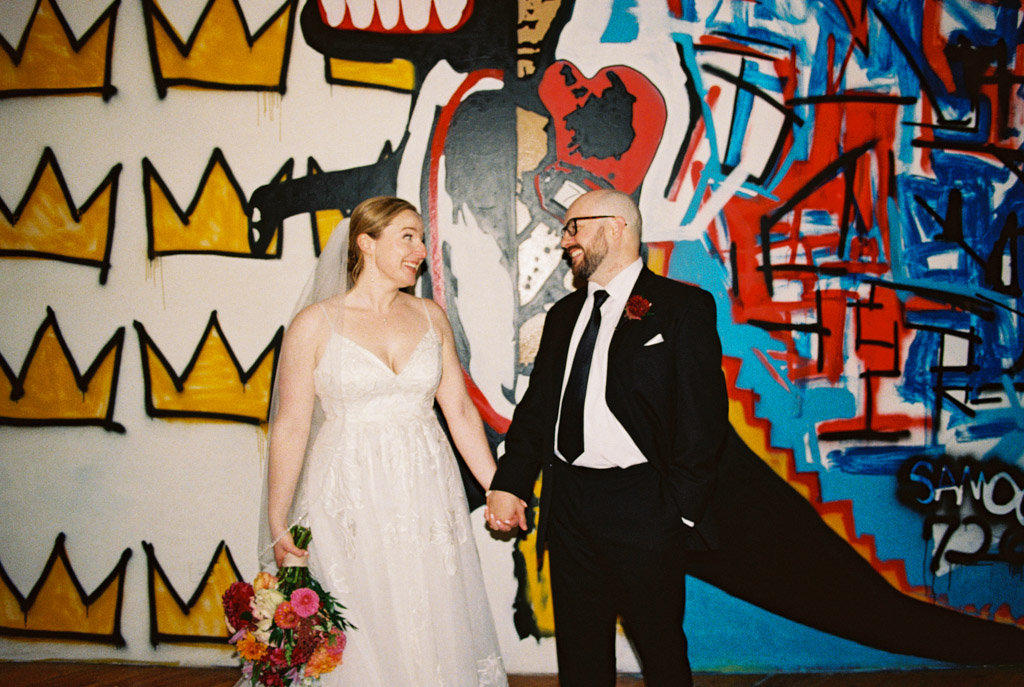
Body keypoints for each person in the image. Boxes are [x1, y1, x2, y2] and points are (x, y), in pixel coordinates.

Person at [485, 189, 728, 687]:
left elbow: (703, 421)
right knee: (580, 655)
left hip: (643, 504)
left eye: (574, 227)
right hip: (567, 502)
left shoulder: (681, 307)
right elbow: (537, 413)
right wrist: (509, 483)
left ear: (616, 226)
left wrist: (677, 512)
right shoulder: (563, 315)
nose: (564, 240)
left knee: (660, 650)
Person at [264, 197, 508, 686]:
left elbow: (460, 412)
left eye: (422, 238)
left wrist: (498, 487)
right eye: (408, 237)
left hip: (426, 489)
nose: (421, 250)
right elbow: (290, 426)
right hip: (348, 491)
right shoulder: (315, 323)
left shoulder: (430, 316)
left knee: (430, 605)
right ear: (366, 243)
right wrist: (278, 517)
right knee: (362, 610)